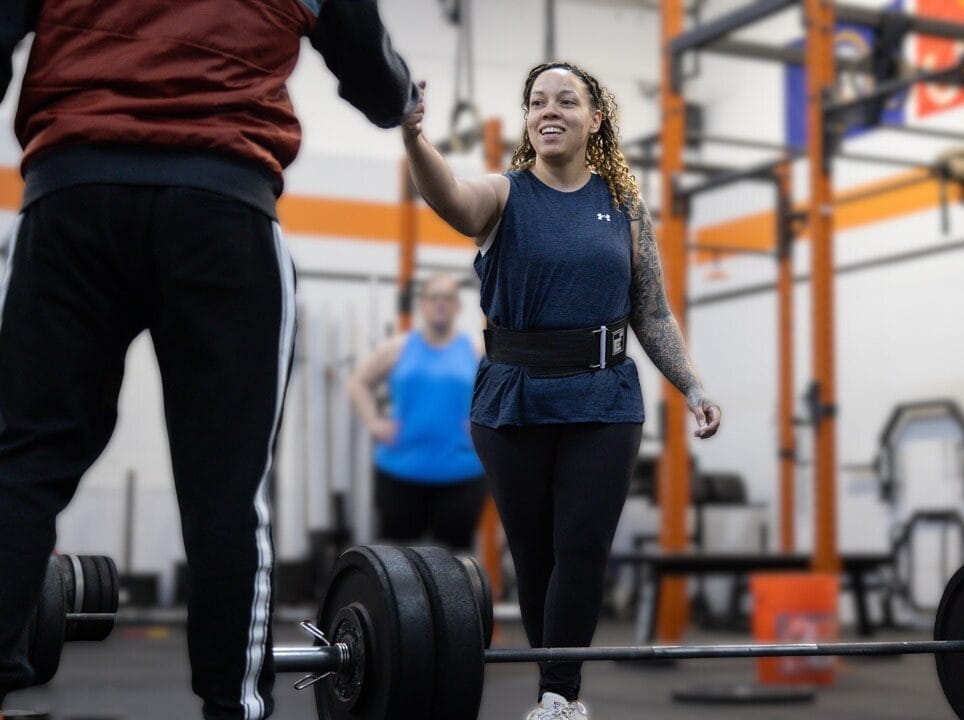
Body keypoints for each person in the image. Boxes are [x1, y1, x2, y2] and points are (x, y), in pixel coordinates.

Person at [0, 1, 417, 718]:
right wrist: (406, 96)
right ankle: (233, 709)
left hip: (71, 202)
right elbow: (373, 76)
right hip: (220, 207)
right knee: (227, 492)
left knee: (22, 465)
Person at [401, 62, 722, 720]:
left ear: (593, 120)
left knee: (582, 547)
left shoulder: (624, 207)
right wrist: (412, 138)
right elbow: (452, 200)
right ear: (527, 120)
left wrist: (691, 384)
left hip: (605, 398)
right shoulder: (504, 194)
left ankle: (559, 698)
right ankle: (555, 687)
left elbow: (651, 312)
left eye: (566, 100)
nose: (550, 110)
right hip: (514, 399)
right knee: (537, 554)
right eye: (537, 101)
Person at [348, 274, 487, 552]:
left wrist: (483, 424)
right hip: (400, 473)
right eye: (433, 297)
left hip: (461, 475)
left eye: (447, 298)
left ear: (457, 306)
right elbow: (357, 383)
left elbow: (500, 392)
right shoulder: (398, 348)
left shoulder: (475, 350)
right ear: (422, 305)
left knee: (454, 566)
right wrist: (374, 422)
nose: (440, 304)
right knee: (398, 567)